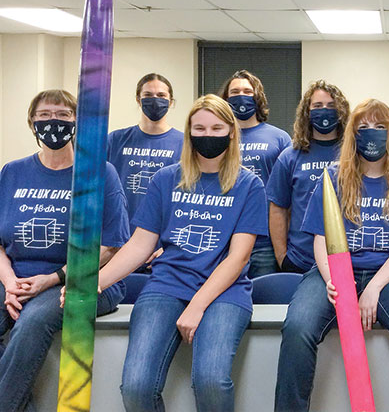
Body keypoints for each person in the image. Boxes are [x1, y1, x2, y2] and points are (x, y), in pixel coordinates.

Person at [92, 95, 268, 411]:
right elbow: (139, 245)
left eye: (217, 127)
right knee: (136, 387)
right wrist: (95, 283)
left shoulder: (249, 185)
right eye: (199, 128)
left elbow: (238, 258)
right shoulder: (166, 178)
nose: (208, 135)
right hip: (166, 286)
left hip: (224, 293)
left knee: (211, 381)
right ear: (188, 132)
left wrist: (197, 305)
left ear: (231, 131)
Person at [275, 99, 389, 412]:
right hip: (333, 272)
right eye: (363, 128)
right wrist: (334, 281)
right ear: (353, 134)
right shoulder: (333, 177)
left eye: (380, 127)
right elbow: (320, 239)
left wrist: (374, 288)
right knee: (297, 328)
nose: (372, 134)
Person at [0, 89, 129, 410]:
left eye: (62, 115)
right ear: (32, 123)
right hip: (17, 279)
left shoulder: (100, 173)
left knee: (33, 320)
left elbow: (112, 246)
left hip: (85, 279)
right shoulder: (12, 173)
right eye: (44, 116)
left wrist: (52, 277)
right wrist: (9, 283)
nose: (52, 122)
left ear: (78, 122)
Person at [266, 80, 350, 274]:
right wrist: (282, 257)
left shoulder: (352, 155)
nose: (325, 111)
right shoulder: (290, 156)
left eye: (331, 106)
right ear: (307, 112)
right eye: (318, 106)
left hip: (347, 259)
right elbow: (278, 208)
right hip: (301, 260)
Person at [219, 69, 291, 278]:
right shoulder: (219, 136)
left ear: (257, 97)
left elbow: (286, 196)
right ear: (226, 98)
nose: (241, 96)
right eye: (234, 92)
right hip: (225, 239)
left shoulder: (279, 138)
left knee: (264, 302)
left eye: (247, 91)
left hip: (264, 242)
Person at [107, 73, 183, 257]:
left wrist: (169, 246)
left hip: (161, 246)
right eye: (148, 95)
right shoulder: (116, 140)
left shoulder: (185, 144)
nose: (155, 100)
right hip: (118, 243)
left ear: (171, 101)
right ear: (138, 99)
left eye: (161, 96)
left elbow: (189, 201)